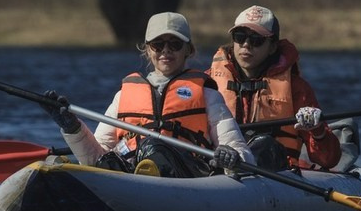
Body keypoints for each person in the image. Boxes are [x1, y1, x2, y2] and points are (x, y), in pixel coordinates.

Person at [45, 12, 252, 178]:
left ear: (188, 50)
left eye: (175, 44)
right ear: (148, 50)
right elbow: (94, 159)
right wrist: (72, 128)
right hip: (131, 175)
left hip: (187, 178)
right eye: (158, 45)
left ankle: (149, 175)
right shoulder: (123, 96)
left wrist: (232, 157)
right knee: (112, 160)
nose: (166, 51)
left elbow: (243, 154)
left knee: (155, 145)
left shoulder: (208, 96)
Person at [208, 5, 342, 172]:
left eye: (256, 40)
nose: (246, 45)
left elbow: (328, 160)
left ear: (272, 47)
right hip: (220, 165)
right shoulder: (208, 82)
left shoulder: (296, 88)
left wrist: (318, 130)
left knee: (265, 144)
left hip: (275, 171)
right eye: (240, 37)